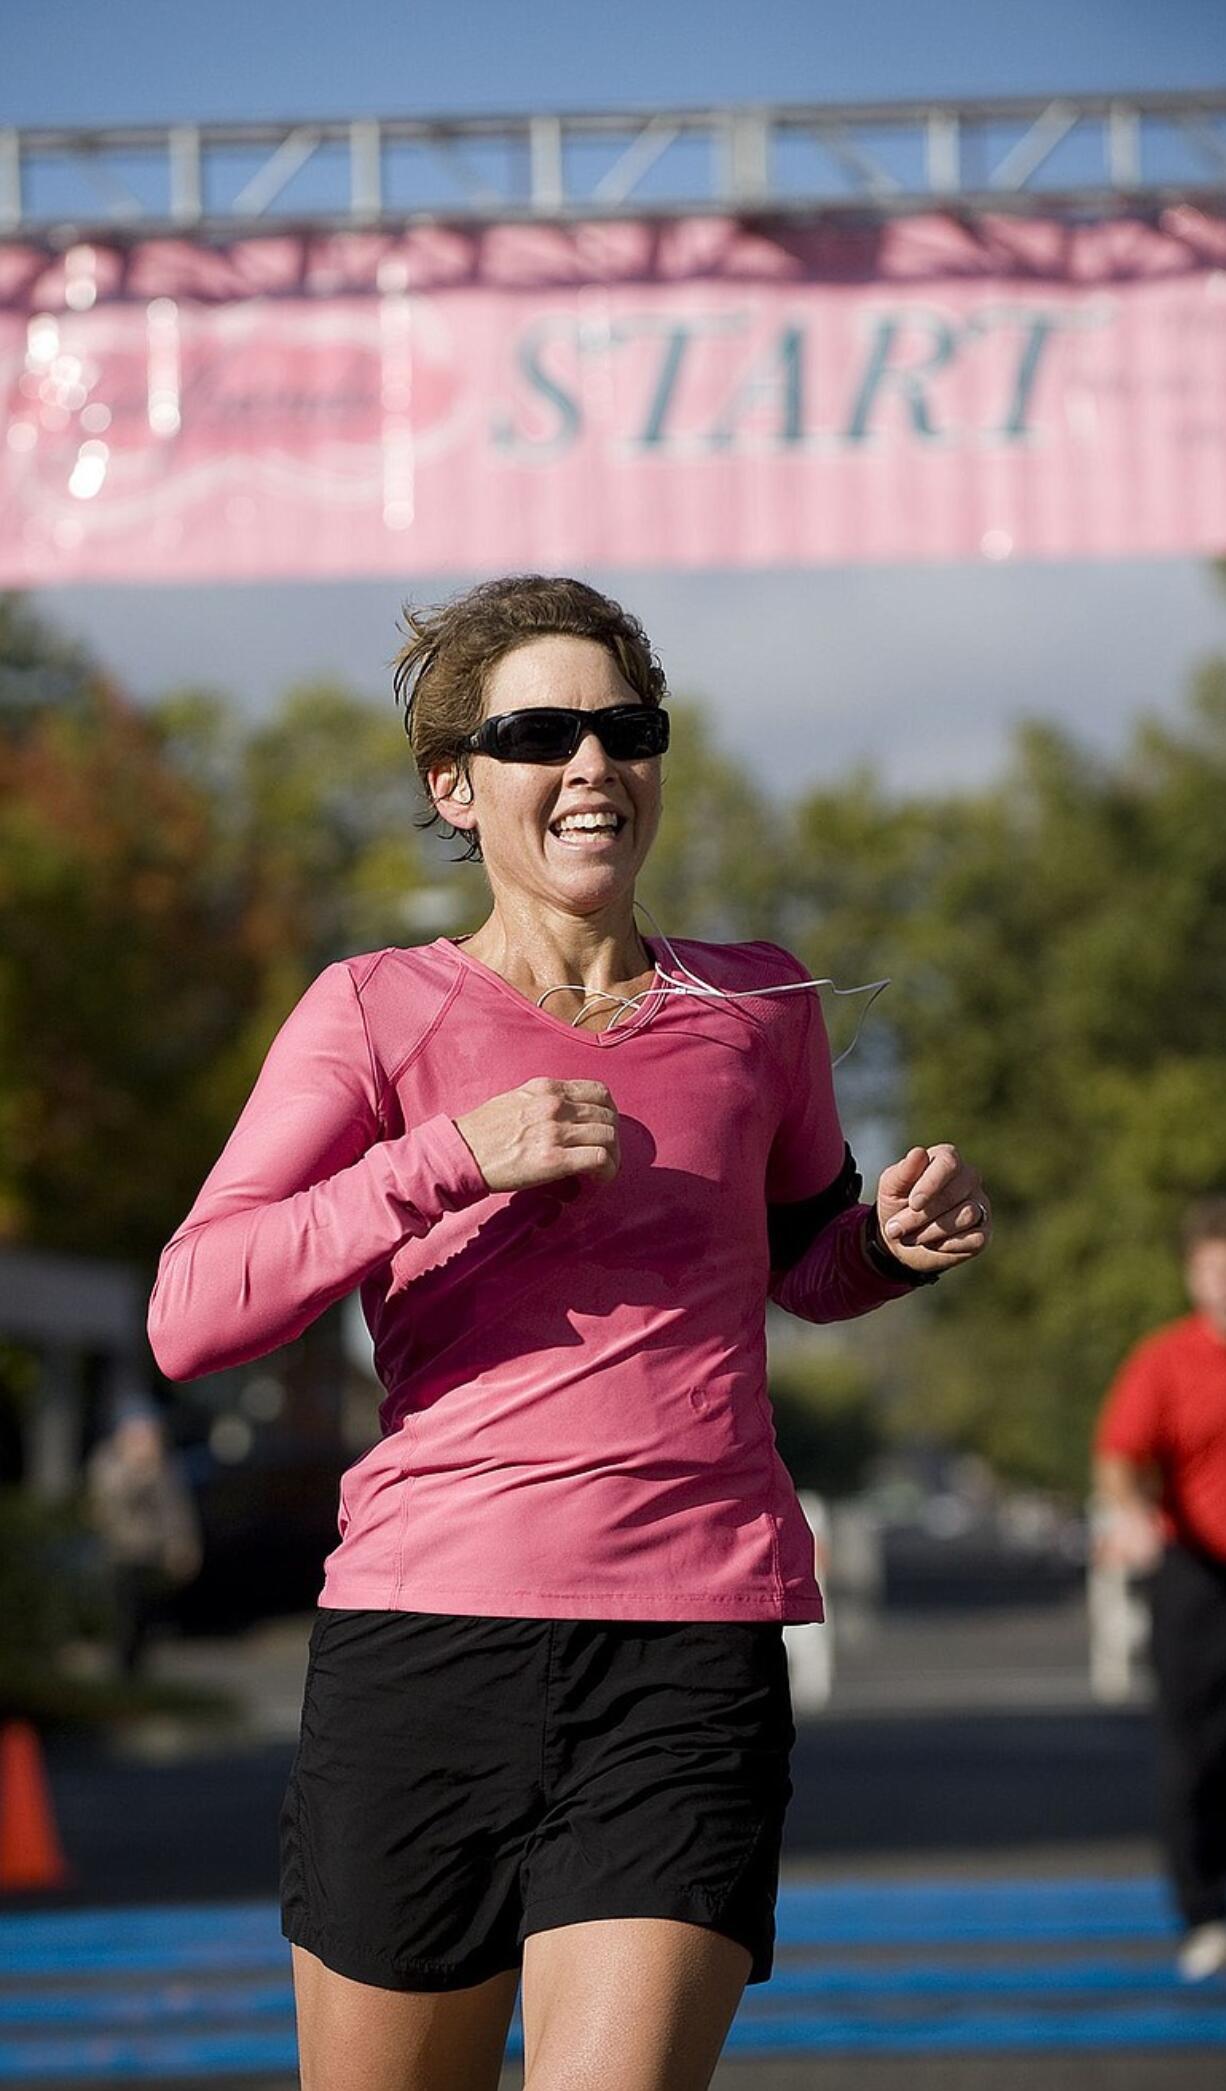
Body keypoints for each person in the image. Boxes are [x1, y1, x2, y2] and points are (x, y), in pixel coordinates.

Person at [146, 575, 992, 2091]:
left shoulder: (757, 1002)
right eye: (542, 730)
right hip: (426, 1643)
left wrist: (882, 1247)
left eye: (624, 725)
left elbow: (800, 1264)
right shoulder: (375, 1006)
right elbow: (192, 1310)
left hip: (688, 1645)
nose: (592, 760)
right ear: (454, 787)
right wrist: (447, 1155)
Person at [1093, 1197, 1226, 1984]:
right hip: (1196, 1575)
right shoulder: (1166, 1358)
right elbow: (1120, 1452)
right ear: (1192, 1275)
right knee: (1198, 1748)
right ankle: (1207, 1911)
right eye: (1215, 1267)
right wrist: (1129, 1510)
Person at [84, 1405, 203, 1676]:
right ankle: (122, 1672)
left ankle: (138, 1672)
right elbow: (109, 1501)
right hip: (119, 1551)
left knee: (148, 1620)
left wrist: (183, 1543)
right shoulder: (109, 1462)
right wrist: (139, 1471)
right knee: (122, 1617)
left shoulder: (164, 1466)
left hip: (151, 1552)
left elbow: (176, 1509)